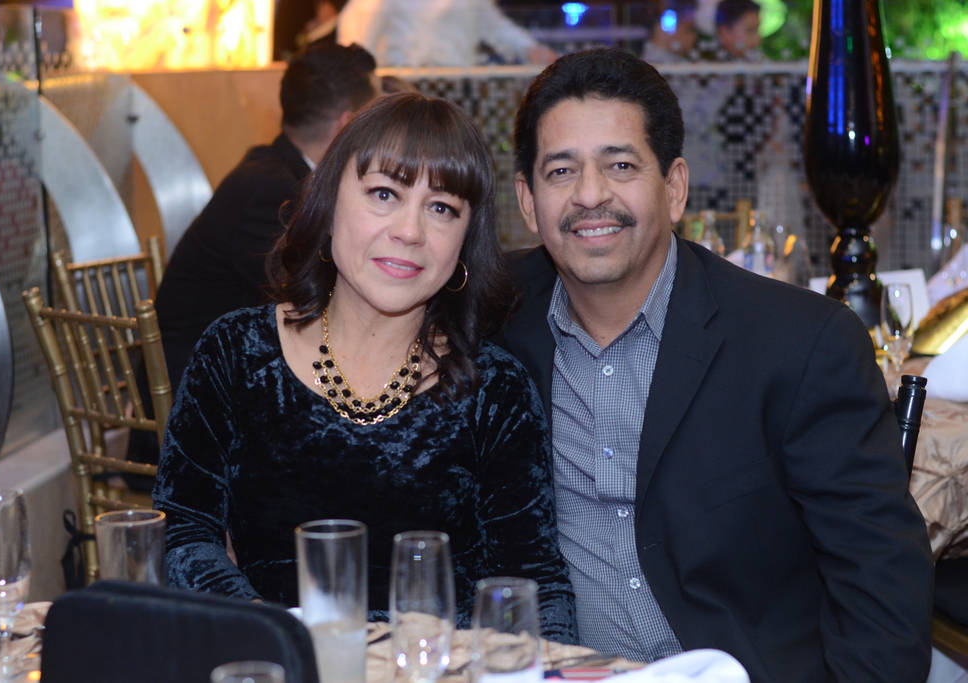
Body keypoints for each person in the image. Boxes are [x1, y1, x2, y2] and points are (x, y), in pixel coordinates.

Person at [498, 48, 933, 681]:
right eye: (561, 171)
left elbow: (882, 592)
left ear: (674, 188)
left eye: (620, 165)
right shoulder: (493, 315)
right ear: (528, 201)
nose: (590, 195)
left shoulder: (800, 344)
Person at [152, 92, 577, 641]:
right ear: (329, 203)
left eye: (441, 208)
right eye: (384, 194)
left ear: (464, 243)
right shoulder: (236, 353)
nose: (410, 231)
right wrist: (274, 633)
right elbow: (182, 534)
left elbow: (533, 584)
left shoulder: (495, 389)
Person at [153, 41, 379, 393]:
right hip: (199, 387)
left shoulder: (276, 171)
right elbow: (318, 300)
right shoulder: (271, 191)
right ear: (347, 125)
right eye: (374, 122)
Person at [337, 0, 557, 67]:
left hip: (460, 84)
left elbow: (494, 25)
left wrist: (530, 49)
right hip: (404, 88)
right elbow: (357, 34)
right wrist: (358, 81)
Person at [641, 0, 699, 64]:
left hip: (674, 63)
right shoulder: (662, 27)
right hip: (655, 60)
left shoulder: (691, 34)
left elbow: (685, 53)